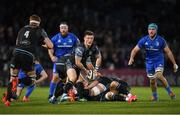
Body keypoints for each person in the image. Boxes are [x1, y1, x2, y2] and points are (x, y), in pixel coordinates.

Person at [4, 14, 53, 106]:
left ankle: (7, 100)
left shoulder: (22, 29)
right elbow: (51, 45)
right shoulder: (40, 30)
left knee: (12, 77)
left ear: (30, 21)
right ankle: (19, 82)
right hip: (28, 54)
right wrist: (46, 46)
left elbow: (17, 42)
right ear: (38, 23)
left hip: (16, 52)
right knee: (32, 80)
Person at [128, 23, 178, 101]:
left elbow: (168, 52)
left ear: (156, 30)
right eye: (149, 29)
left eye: (153, 29)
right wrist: (131, 58)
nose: (151, 31)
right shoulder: (144, 40)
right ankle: (155, 96)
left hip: (159, 61)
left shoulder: (161, 40)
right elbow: (134, 50)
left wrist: (174, 63)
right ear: (148, 30)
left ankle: (170, 92)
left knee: (159, 75)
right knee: (152, 81)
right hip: (149, 63)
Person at [48, 22, 80, 102]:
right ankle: (51, 95)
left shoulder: (73, 37)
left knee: (69, 78)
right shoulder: (55, 38)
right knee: (55, 77)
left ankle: (67, 94)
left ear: (67, 29)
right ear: (59, 29)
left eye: (65, 28)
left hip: (69, 60)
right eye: (62, 28)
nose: (63, 29)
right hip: (59, 61)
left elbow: (78, 47)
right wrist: (52, 56)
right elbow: (50, 48)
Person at [74, 30, 102, 101]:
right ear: (84, 38)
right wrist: (86, 71)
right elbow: (77, 63)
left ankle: (78, 95)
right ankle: (79, 97)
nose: (90, 40)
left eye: (91, 38)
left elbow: (98, 57)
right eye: (88, 38)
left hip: (80, 65)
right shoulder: (80, 48)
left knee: (92, 78)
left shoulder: (94, 47)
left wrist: (95, 70)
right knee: (78, 80)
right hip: (72, 65)